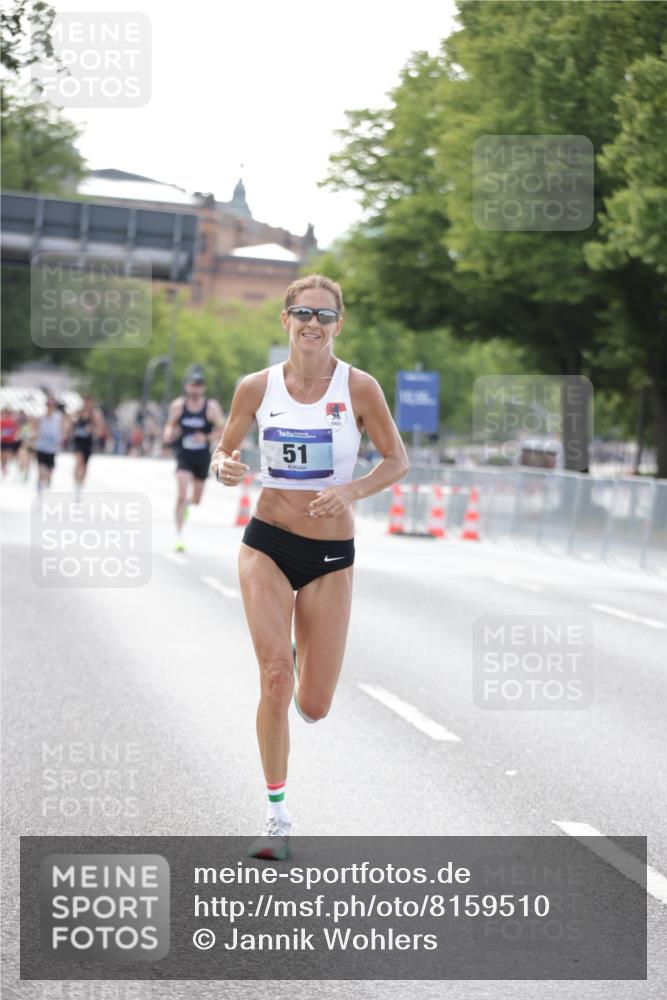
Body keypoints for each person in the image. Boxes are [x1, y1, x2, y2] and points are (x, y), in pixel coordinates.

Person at [210, 275, 409, 859]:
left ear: (338, 325)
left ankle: (301, 654)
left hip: (328, 558)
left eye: (323, 315)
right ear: (285, 320)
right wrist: (224, 467)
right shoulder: (256, 387)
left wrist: (350, 491)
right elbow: (226, 451)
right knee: (275, 675)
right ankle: (277, 817)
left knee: (314, 705)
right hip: (267, 542)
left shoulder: (360, 388)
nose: (312, 323)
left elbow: (397, 460)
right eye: (302, 313)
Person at [163, 369, 225, 552]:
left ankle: (189, 505)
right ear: (186, 386)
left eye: (199, 386)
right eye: (192, 385)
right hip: (184, 455)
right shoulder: (178, 406)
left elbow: (222, 430)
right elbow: (171, 424)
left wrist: (205, 438)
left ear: (203, 388)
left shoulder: (211, 408)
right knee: (181, 494)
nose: (195, 389)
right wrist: (168, 433)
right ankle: (179, 536)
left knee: (196, 500)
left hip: (202, 457)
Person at [70, 395, 106, 500]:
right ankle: (76, 484)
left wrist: (92, 429)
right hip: (78, 441)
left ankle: (80, 486)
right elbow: (69, 420)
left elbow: (100, 432)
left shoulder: (95, 415)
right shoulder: (78, 412)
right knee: (78, 461)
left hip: (88, 443)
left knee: (84, 467)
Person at [33, 396, 68, 494]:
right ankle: (40, 487)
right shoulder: (41, 418)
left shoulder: (58, 418)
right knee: (41, 469)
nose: (50, 407)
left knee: (49, 470)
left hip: (52, 449)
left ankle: (47, 479)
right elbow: (35, 429)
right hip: (41, 447)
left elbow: (64, 430)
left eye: (52, 405)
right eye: (48, 405)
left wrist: (62, 439)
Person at [1, 408, 20, 477]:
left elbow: (15, 431)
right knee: (3, 456)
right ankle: (3, 466)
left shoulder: (12, 422)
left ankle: (4, 467)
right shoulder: (2, 421)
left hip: (9, 441)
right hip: (3, 441)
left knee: (6, 455)